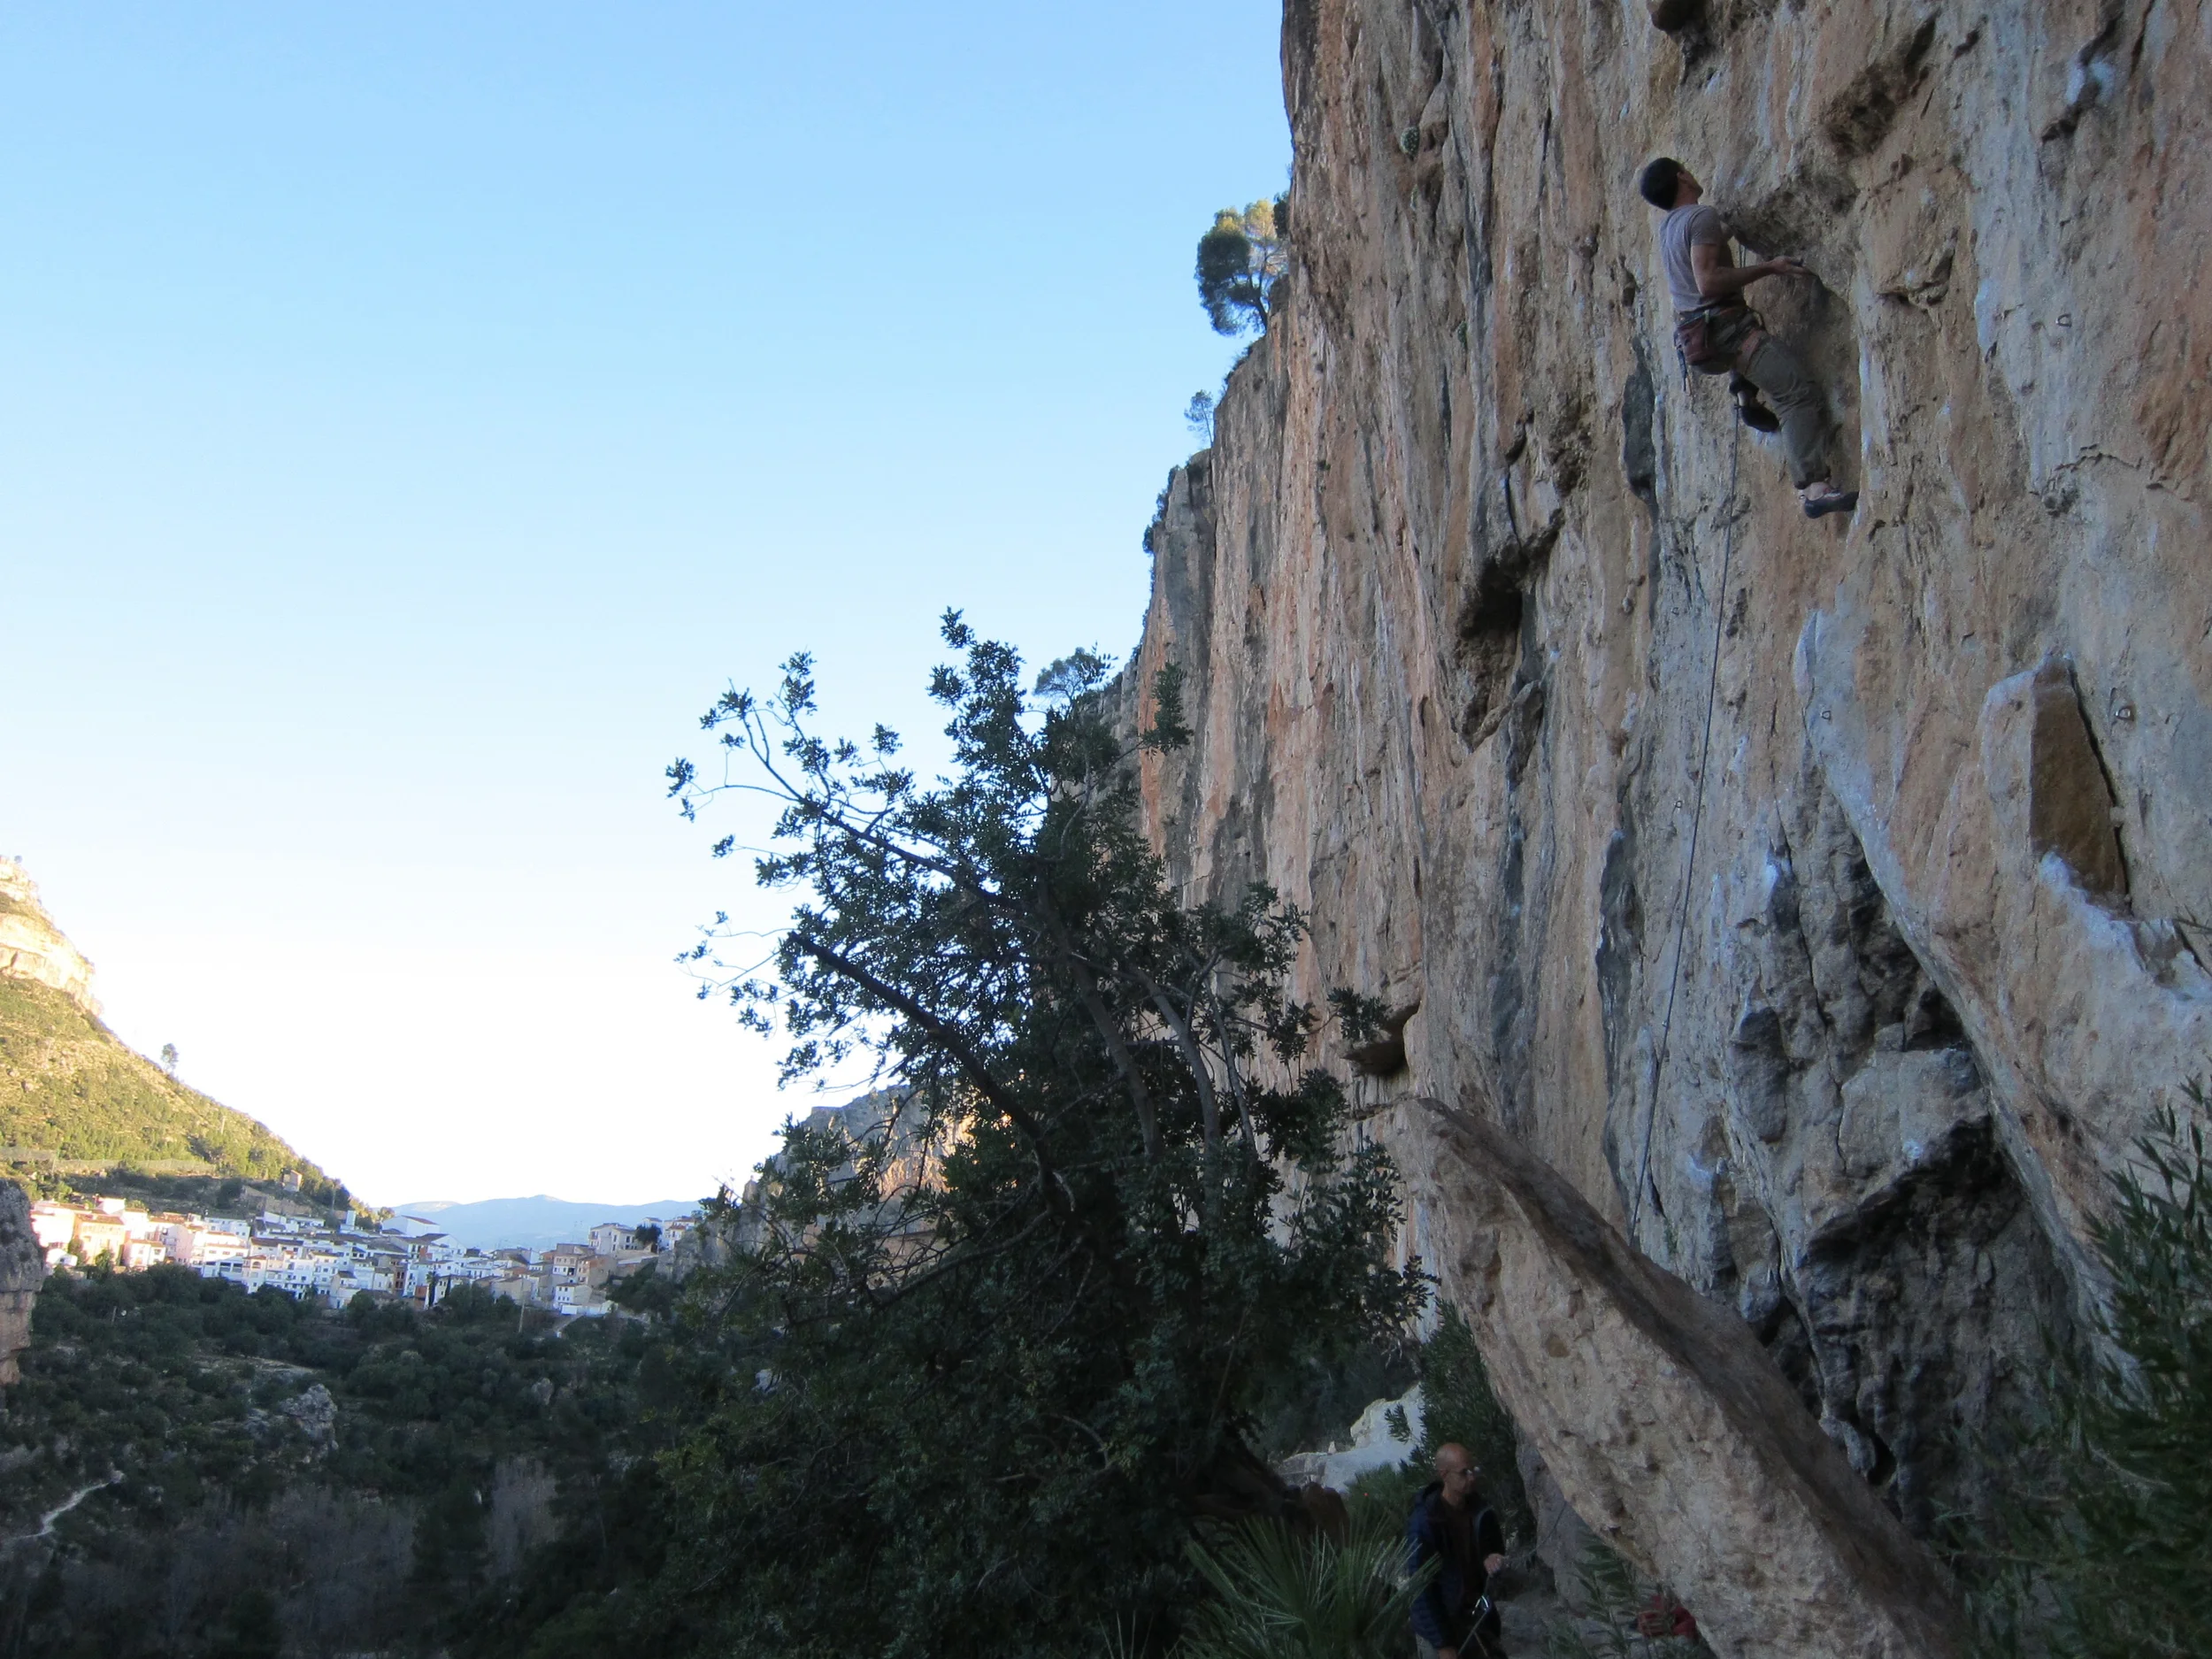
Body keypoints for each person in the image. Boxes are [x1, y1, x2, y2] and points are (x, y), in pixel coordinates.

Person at [1638, 156, 1858, 521]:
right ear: (1682, 176)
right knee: (1796, 393)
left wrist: (1728, 231)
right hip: (1726, 330)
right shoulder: (1700, 217)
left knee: (1755, 359)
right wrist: (1769, 267)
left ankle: (1744, 391)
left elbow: (1700, 254)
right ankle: (1814, 489)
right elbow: (1707, 282)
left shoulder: (1671, 228)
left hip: (1700, 338)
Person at [1408, 1441, 1508, 1659]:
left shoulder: (1481, 1511)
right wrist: (1443, 1644)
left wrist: (1492, 1558)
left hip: (1477, 1616)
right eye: (1464, 1473)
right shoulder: (1425, 1522)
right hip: (1443, 1625)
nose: (1471, 1478)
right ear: (1444, 1474)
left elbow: (1494, 1547)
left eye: (1473, 1470)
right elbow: (1420, 1588)